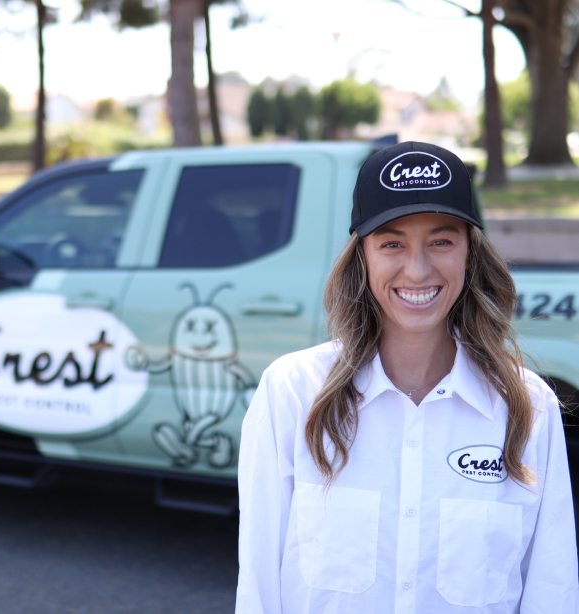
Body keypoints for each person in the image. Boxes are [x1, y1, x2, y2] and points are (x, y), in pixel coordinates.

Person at [235, 141, 579, 613]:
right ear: (362, 256)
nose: (417, 270)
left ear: (470, 254)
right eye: (392, 243)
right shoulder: (292, 392)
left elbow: (552, 588)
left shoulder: (528, 406)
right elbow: (258, 585)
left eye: (441, 242)